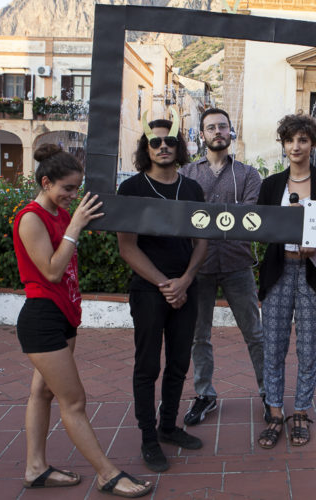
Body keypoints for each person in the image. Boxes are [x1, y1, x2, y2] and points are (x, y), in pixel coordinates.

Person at [13, 144, 151, 497]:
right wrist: (75, 225)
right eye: (68, 189)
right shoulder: (31, 218)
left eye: (77, 189)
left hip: (63, 315)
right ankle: (107, 473)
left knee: (42, 392)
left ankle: (35, 468)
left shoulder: (59, 214)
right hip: (42, 317)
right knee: (73, 401)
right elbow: (52, 270)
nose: (73, 197)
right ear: (46, 182)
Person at [117, 113, 208, 473]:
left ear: (179, 146)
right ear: (146, 148)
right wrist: (164, 284)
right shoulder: (132, 189)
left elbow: (203, 240)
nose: (164, 146)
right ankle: (148, 438)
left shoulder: (192, 189)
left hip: (185, 287)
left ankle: (168, 427)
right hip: (149, 290)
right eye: (155, 142)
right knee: (147, 366)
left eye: (169, 141)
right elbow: (127, 247)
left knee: (180, 363)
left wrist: (184, 280)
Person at [256, 112, 316, 449]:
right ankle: (275, 412)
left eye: (302, 140)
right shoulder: (271, 185)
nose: (296, 146)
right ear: (283, 144)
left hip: (313, 274)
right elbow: (260, 228)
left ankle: (301, 411)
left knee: (308, 349)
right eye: (290, 140)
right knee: (273, 347)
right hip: (278, 272)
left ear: (313, 143)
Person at [180, 108, 268, 426]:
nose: (217, 131)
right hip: (198, 266)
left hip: (237, 264)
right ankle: (205, 394)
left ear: (231, 132)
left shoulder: (248, 174)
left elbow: (249, 217)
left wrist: (206, 215)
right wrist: (225, 215)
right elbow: (182, 216)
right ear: (201, 135)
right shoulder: (187, 174)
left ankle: (268, 393)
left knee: (255, 334)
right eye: (211, 127)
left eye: (223, 127)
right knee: (198, 336)